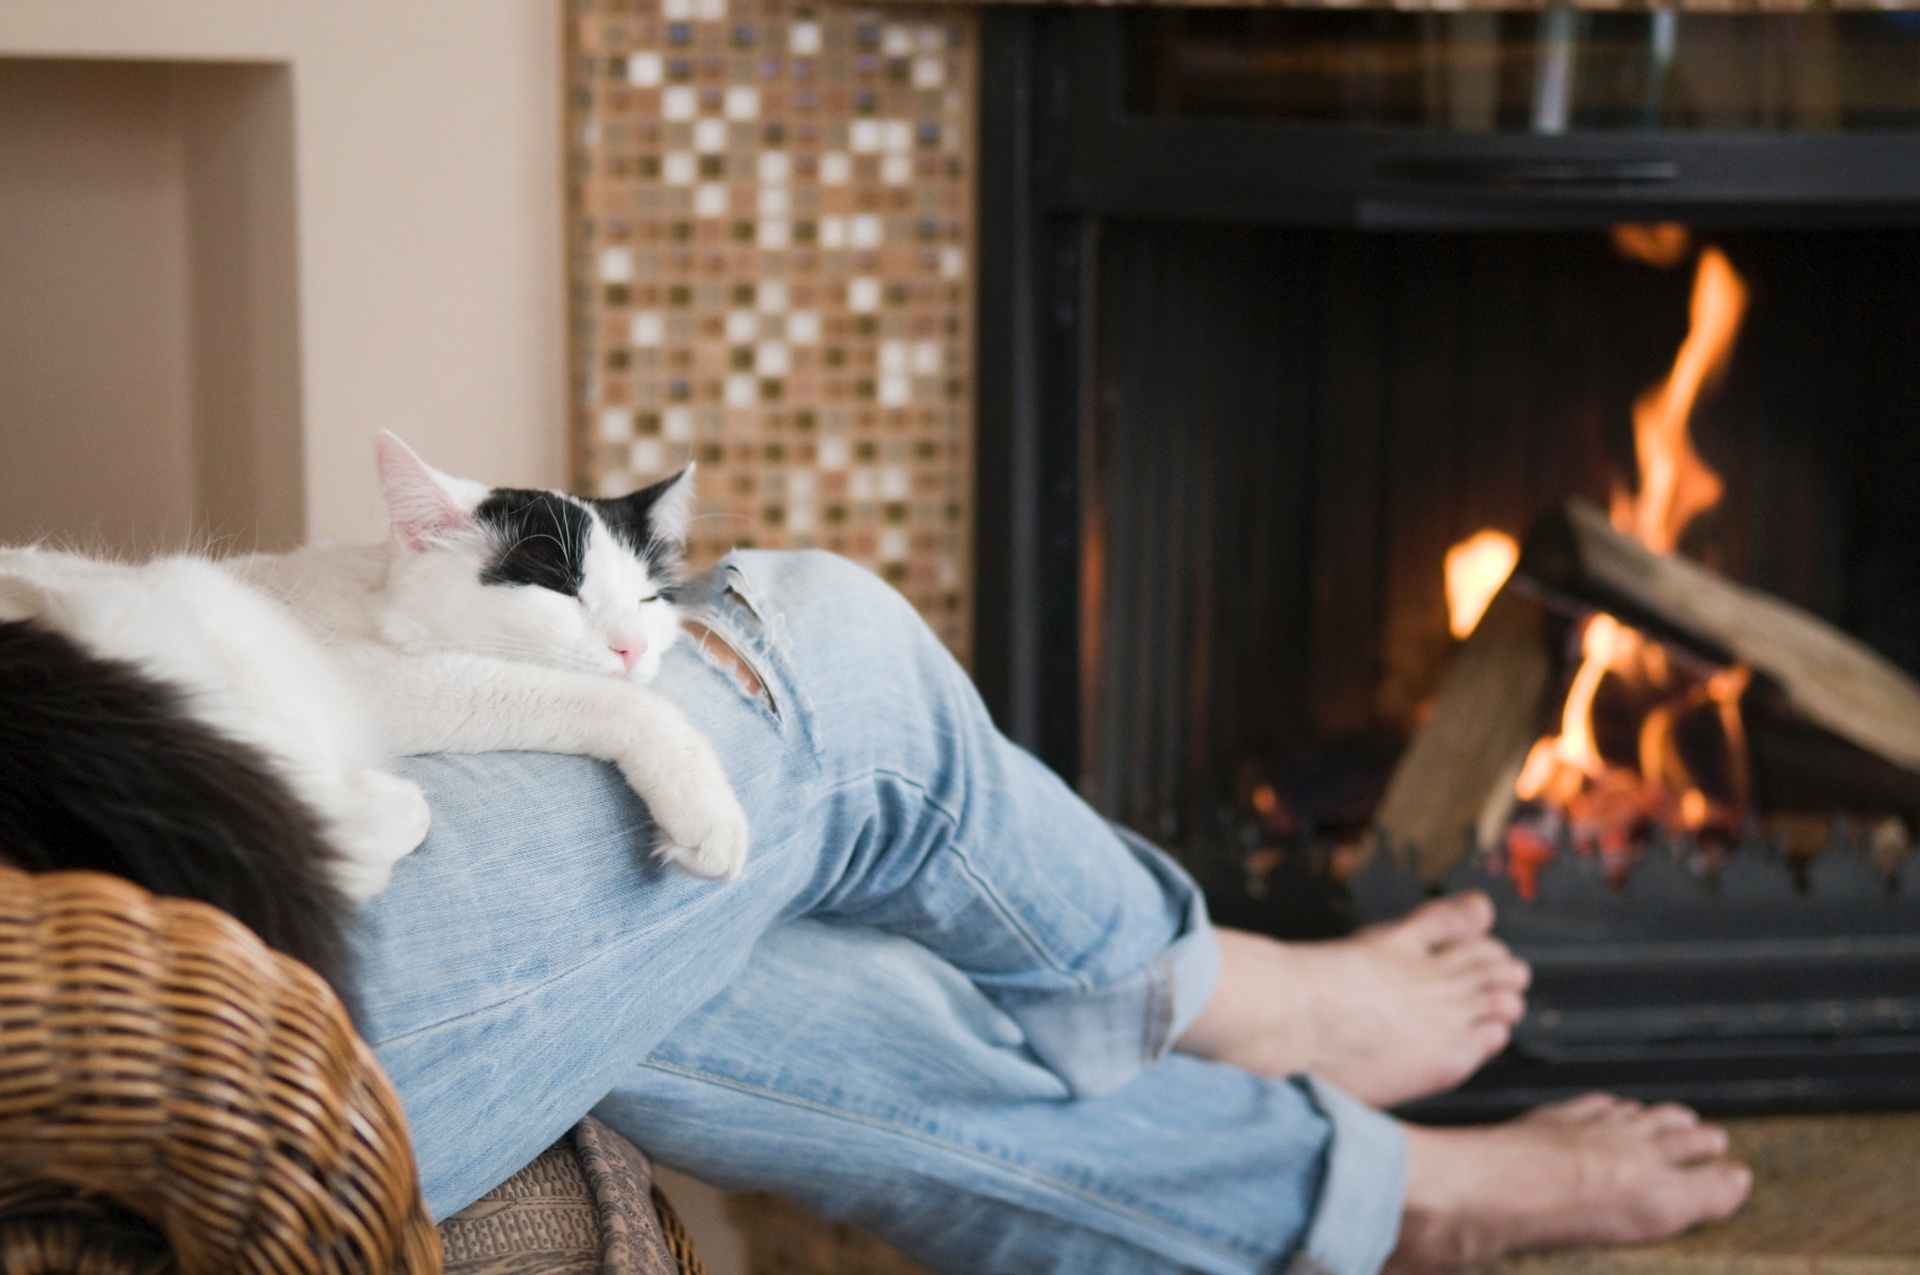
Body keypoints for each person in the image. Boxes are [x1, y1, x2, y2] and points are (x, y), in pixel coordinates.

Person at [351, 550, 1750, 1274]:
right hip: (232, 979)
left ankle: (1369, 1192)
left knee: (718, 935)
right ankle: (1227, 997)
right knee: (822, 653)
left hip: (254, 961)